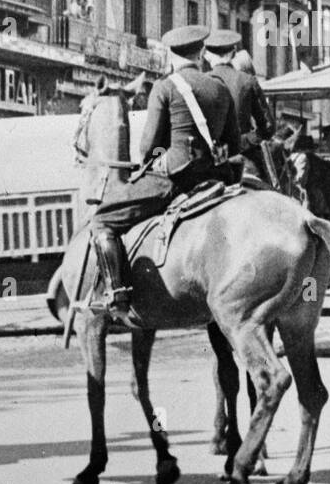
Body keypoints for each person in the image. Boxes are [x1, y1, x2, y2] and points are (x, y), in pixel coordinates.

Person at [88, 25, 241, 317]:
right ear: (200, 54)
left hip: (176, 178)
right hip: (215, 178)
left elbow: (148, 147)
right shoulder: (219, 87)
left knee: (102, 220)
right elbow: (233, 142)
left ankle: (117, 293)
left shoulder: (166, 87)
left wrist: (152, 160)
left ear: (171, 55)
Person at [203, 29, 273, 182]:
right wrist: (242, 142)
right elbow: (268, 127)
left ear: (207, 56)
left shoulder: (200, 82)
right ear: (233, 53)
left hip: (209, 162)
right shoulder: (248, 80)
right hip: (244, 159)